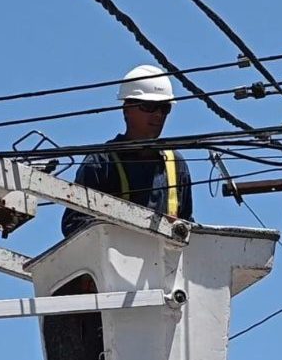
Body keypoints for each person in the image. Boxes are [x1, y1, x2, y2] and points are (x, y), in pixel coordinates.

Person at [61, 65, 194, 237]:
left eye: (164, 108)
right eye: (149, 106)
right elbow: (75, 223)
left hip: (163, 254)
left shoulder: (175, 165)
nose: (158, 115)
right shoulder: (102, 162)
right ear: (126, 109)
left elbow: (188, 229)